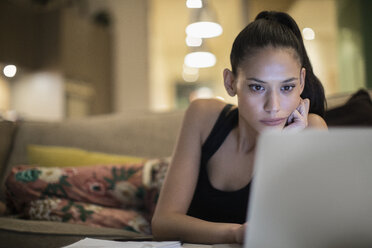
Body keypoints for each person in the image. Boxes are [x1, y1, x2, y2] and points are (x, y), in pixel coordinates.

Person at [151, 10, 328, 244]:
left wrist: (282, 150)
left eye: (286, 88)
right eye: (257, 87)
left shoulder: (311, 131)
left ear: (302, 81)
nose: (273, 107)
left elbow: (303, 234)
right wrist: (236, 233)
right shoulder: (202, 116)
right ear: (230, 82)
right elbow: (163, 223)